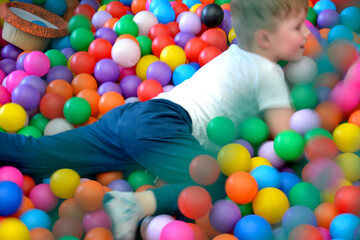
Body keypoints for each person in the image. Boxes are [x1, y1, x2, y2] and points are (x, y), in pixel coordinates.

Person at [0, 0, 310, 239]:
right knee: (216, 185)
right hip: (163, 126)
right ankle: (135, 205)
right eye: (297, 28)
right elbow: (287, 139)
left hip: (131, 116)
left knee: (35, 153)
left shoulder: (233, 52)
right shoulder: (270, 73)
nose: (306, 33)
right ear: (265, 38)